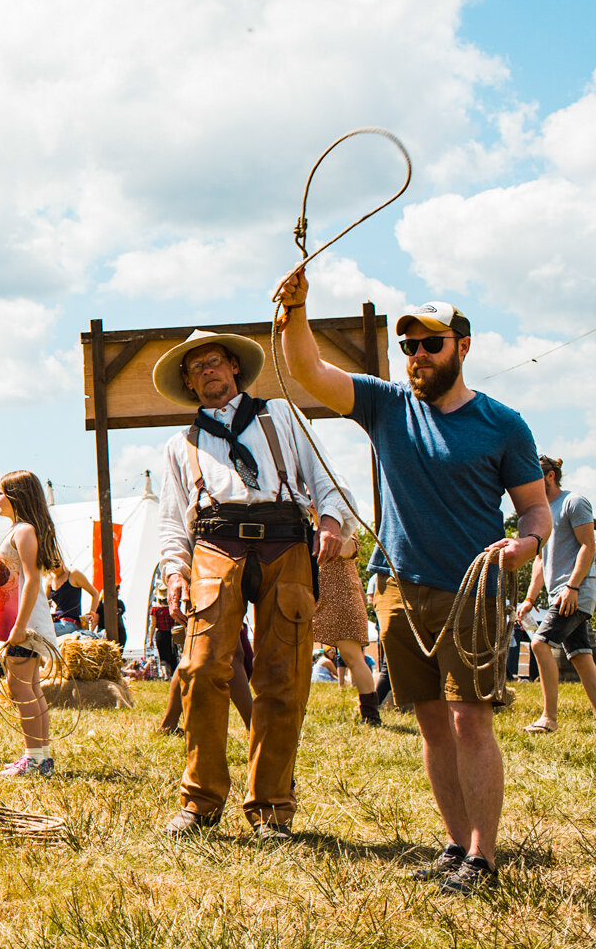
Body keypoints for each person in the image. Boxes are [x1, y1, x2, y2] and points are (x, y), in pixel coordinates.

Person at [273, 274, 548, 894]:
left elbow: (535, 510)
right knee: (428, 718)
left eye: (431, 343)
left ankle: (484, 857)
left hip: (472, 591)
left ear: (463, 346)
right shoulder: (385, 405)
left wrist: (525, 544)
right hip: (397, 589)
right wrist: (295, 310)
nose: (417, 355)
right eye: (409, 346)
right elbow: (309, 371)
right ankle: (454, 844)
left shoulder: (503, 425)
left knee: (469, 720)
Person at [152, 330, 354, 839]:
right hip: (215, 546)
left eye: (214, 362)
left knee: (283, 677)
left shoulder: (281, 415)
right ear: (188, 383)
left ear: (235, 368)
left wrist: (330, 520)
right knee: (200, 668)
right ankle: (200, 802)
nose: (207, 372)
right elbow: (174, 520)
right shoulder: (182, 444)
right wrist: (174, 569)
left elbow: (326, 476)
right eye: (196, 369)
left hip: (285, 541)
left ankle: (271, 809)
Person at [0, 472, 62, 776]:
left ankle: (34, 758)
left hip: (25, 624)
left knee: (20, 688)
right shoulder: (19, 531)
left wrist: (19, 627)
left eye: (0, 492)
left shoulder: (24, 531)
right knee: (30, 687)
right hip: (23, 621)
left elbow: (32, 580)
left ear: (15, 496)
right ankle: (40, 757)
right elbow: (15, 583)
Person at [521, 457, 595, 733]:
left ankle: (549, 718)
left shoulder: (573, 503)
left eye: (534, 476)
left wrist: (573, 587)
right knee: (580, 655)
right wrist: (529, 599)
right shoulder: (542, 512)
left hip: (573, 593)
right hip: (558, 595)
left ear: (550, 476)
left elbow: (589, 545)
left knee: (541, 644)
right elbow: (540, 561)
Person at [314, 529, 379, 726]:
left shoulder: (345, 529)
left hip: (343, 600)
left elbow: (345, 549)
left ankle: (371, 715)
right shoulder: (307, 527)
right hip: (314, 600)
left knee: (353, 657)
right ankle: (297, 710)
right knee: (297, 656)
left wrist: (323, 524)